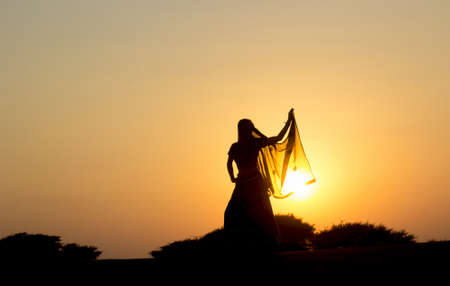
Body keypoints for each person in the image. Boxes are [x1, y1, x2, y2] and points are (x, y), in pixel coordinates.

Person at [224, 109, 294, 248]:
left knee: (263, 212)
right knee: (231, 212)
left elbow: (277, 138)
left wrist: (288, 122)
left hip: (255, 183)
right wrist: (232, 177)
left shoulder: (255, 143)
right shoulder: (235, 146)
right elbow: (229, 163)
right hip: (242, 184)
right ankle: (234, 243)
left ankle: (272, 242)